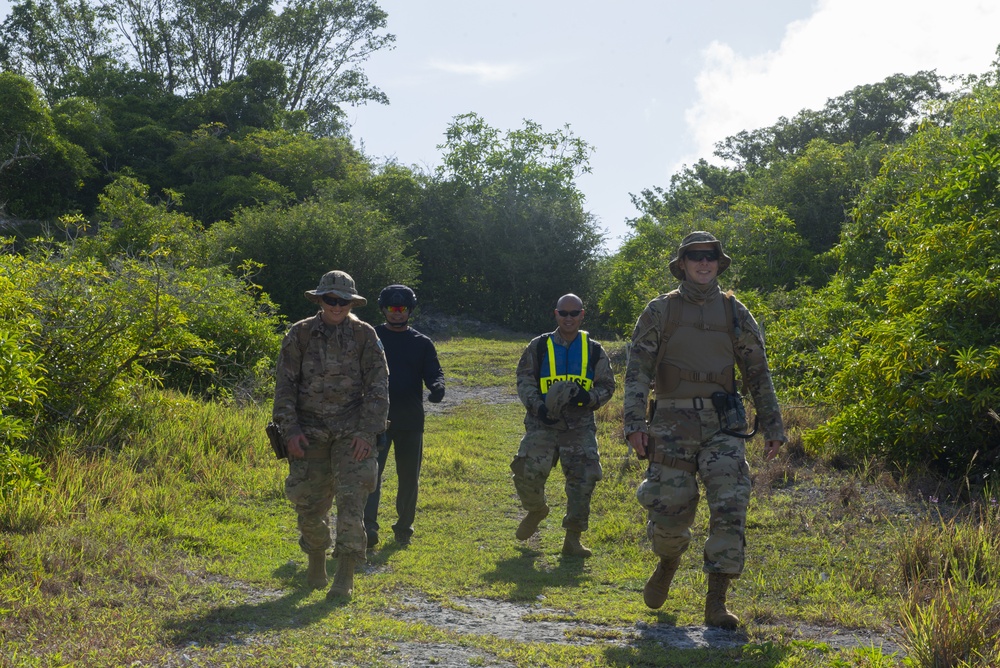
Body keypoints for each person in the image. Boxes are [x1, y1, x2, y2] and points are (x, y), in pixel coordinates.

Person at [623, 231, 785, 628]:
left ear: (718, 262)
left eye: (710, 256)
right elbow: (638, 370)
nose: (703, 262)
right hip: (671, 425)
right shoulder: (660, 311)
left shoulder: (734, 312)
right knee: (668, 512)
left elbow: (757, 370)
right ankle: (668, 561)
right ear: (682, 264)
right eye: (695, 256)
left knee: (731, 503)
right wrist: (634, 423)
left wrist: (773, 425)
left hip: (722, 426)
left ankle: (716, 601)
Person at [271, 270, 389, 601]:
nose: (337, 306)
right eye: (330, 300)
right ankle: (316, 560)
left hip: (352, 431)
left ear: (352, 303)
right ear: (320, 300)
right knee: (309, 503)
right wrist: (289, 430)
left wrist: (368, 432)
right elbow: (284, 387)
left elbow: (379, 387)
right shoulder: (300, 334)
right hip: (308, 432)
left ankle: (345, 575)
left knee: (352, 501)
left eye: (343, 301)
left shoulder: (365, 336)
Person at [511, 294, 616, 557]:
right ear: (555, 314)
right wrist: (540, 408)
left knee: (583, 481)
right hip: (543, 424)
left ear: (582, 315)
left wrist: (589, 398)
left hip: (579, 427)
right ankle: (537, 510)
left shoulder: (594, 349)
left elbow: (607, 385)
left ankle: (573, 539)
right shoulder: (539, 346)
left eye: (574, 313)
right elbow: (524, 381)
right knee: (525, 472)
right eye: (563, 313)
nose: (568, 318)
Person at [363, 284, 445, 548]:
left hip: (411, 420)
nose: (397, 313)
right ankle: (368, 529)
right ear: (383, 309)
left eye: (402, 308)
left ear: (410, 310)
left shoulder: (422, 342)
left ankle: (404, 529)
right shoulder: (370, 337)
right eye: (391, 308)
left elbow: (434, 372)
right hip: (376, 419)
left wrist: (437, 387)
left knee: (409, 477)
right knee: (371, 475)